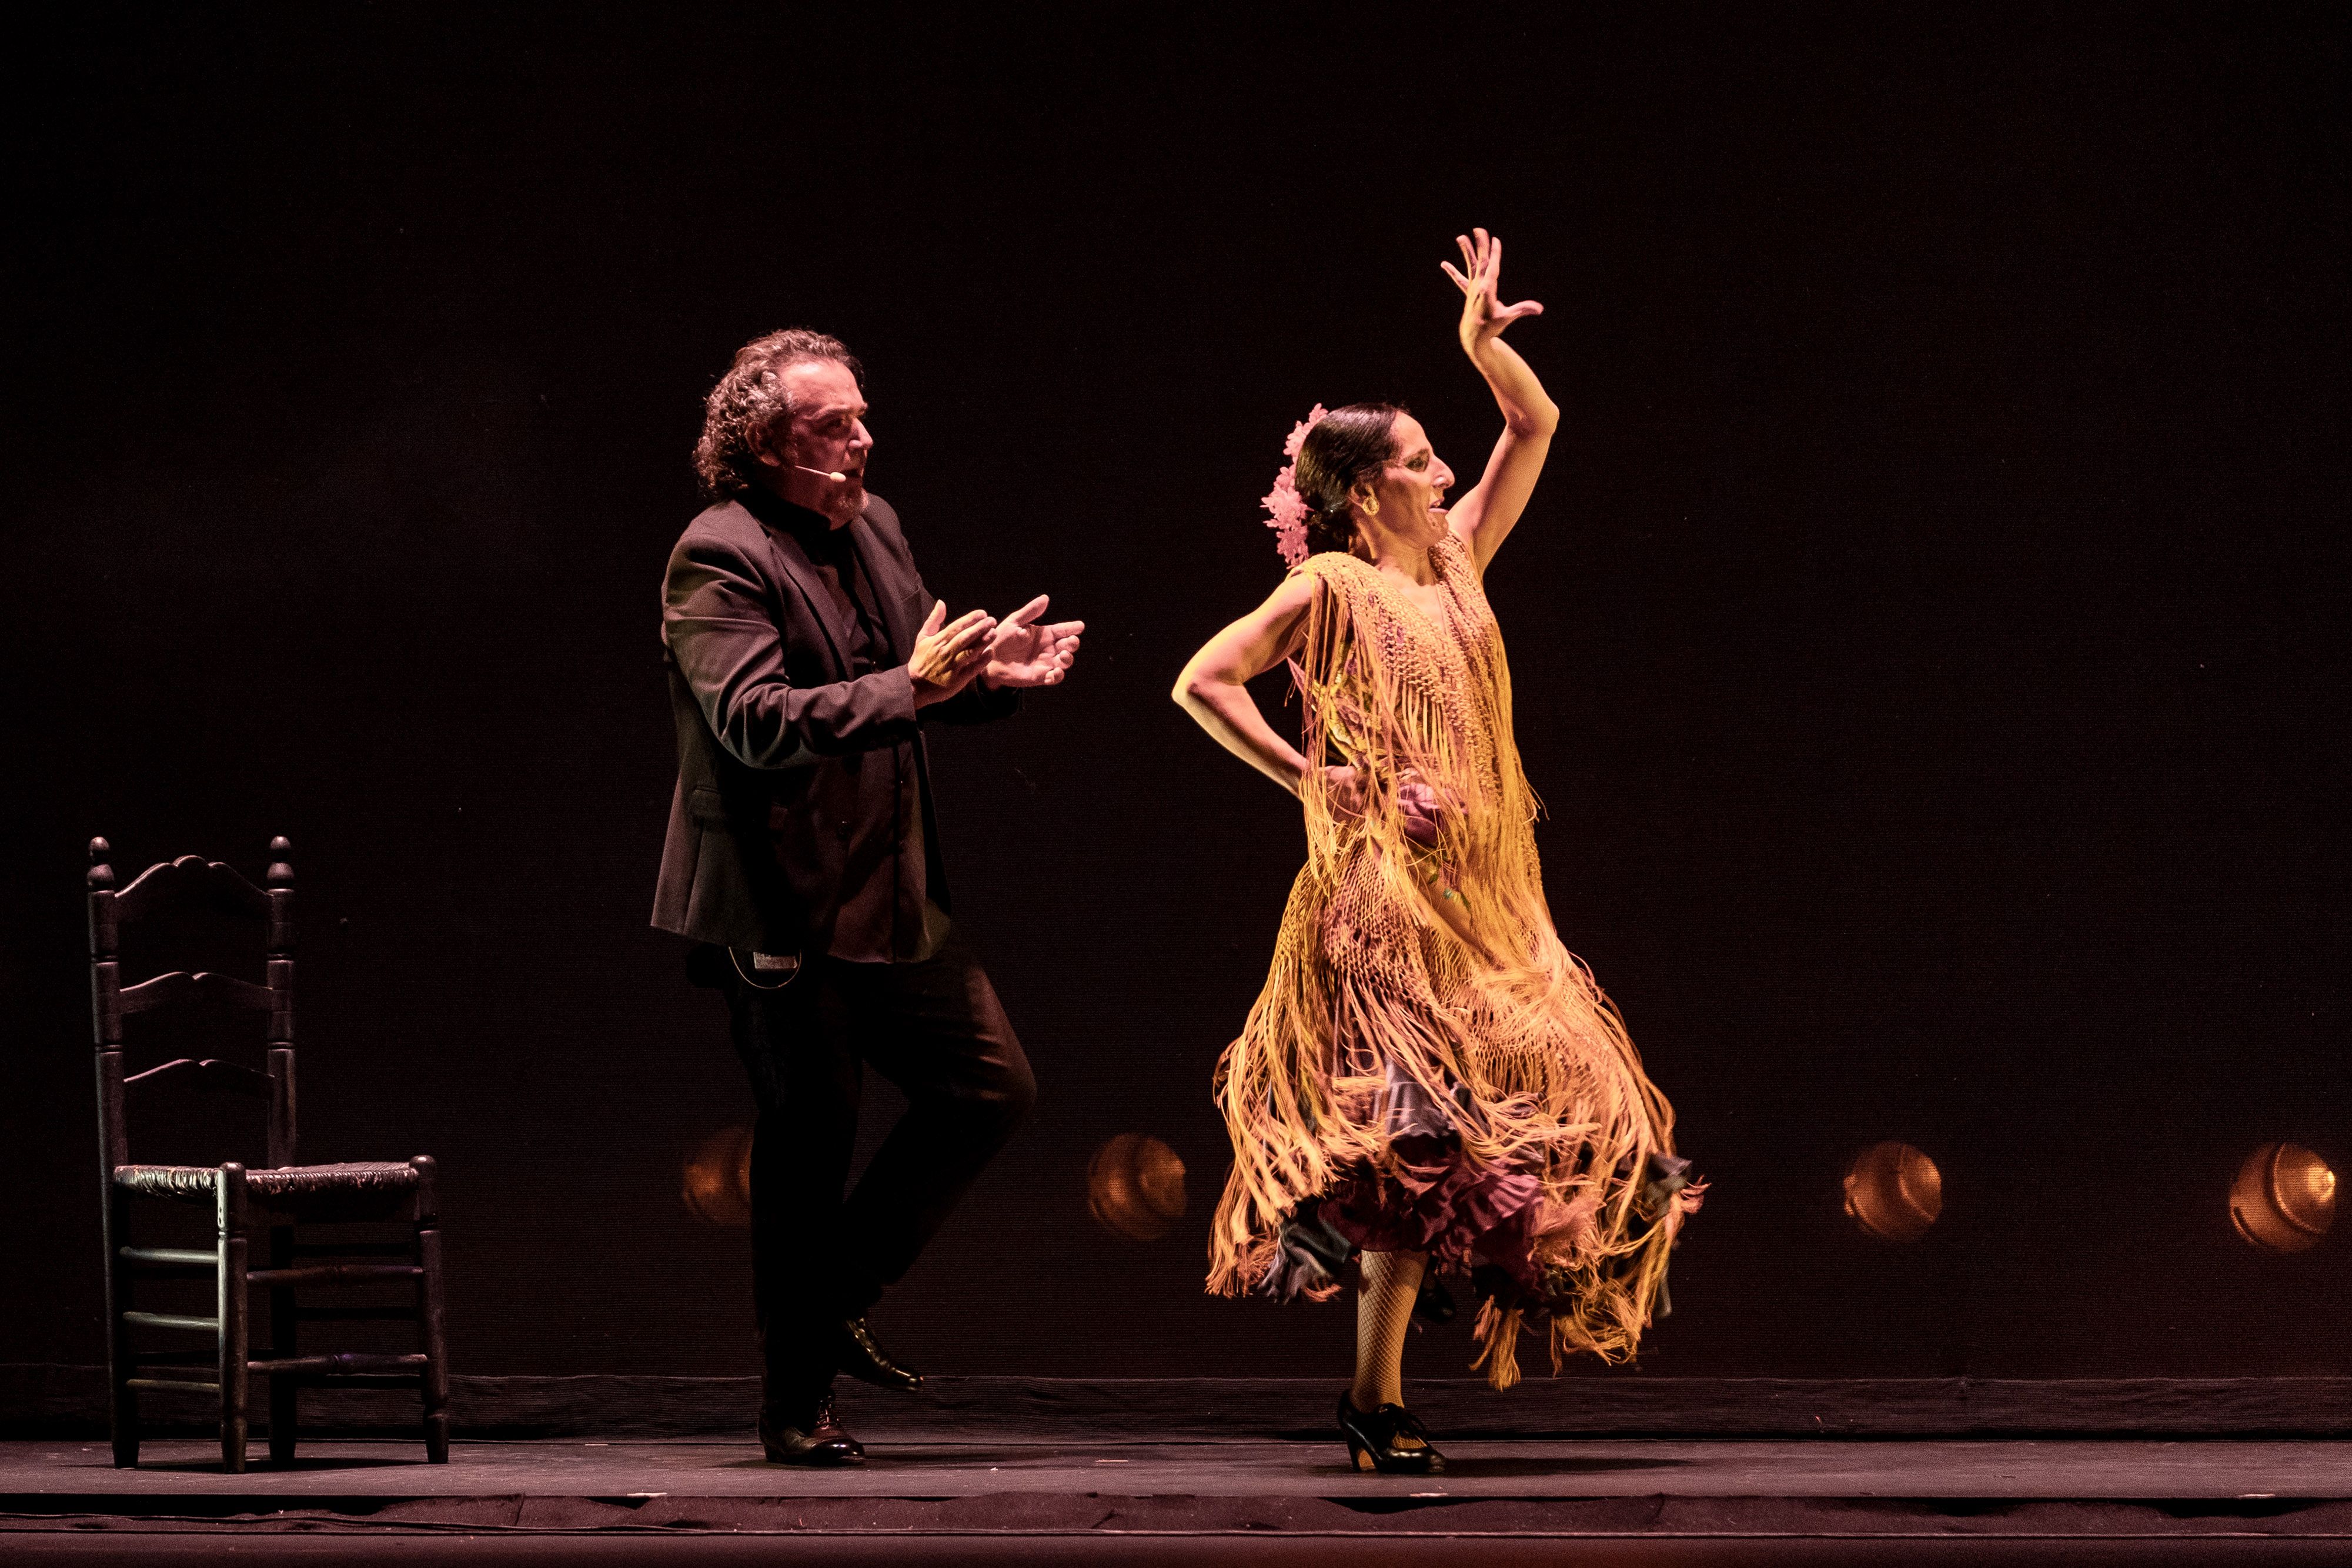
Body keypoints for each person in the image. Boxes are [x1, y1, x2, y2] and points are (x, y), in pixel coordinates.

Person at [1172, 232, 1700, 1475]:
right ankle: (1376, 1395)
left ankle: (1474, 1302)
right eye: (1417, 460)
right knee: (1418, 1146)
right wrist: (1314, 776)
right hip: (1382, 908)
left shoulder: (1458, 560)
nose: (1441, 469)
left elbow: (1534, 426)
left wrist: (1482, 348)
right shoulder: (1333, 588)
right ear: (1364, 495)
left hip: (1482, 901)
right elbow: (1203, 679)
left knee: (1578, 1101)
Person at [653, 328, 1082, 1465]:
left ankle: (833, 1294)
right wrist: (918, 685)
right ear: (765, 442)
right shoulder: (718, 554)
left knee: (991, 1089)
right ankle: (795, 1408)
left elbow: (916, 676)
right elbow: (755, 723)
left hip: (890, 886)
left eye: (861, 417)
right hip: (782, 905)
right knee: (811, 1146)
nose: (862, 440)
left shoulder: (875, 523)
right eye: (833, 425)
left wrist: (992, 677)